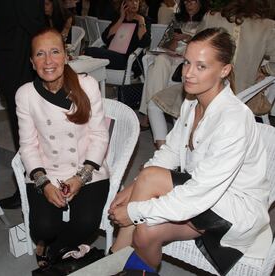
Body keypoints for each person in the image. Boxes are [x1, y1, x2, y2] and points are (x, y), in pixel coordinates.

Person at [108, 28, 271, 275]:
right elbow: (171, 152)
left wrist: (133, 210)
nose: (188, 73)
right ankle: (120, 267)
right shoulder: (191, 102)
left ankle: (112, 262)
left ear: (224, 70)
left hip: (232, 210)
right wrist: (134, 190)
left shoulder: (234, 119)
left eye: (201, 66)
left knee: (149, 182)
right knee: (145, 233)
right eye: (186, 63)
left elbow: (198, 193)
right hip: (204, 196)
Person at [17, 27, 110, 270]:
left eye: (55, 52)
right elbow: (27, 145)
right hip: (47, 170)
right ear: (31, 61)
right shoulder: (25, 95)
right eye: (40, 54)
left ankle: (54, 252)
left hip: (86, 168)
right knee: (43, 228)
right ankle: (63, 250)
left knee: (88, 224)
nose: (48, 61)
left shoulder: (86, 85)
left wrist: (82, 177)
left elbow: (100, 136)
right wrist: (43, 183)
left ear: (66, 56)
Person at [148, 0, 275, 148]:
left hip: (208, 91)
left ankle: (163, 149)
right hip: (245, 96)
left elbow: (194, 50)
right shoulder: (267, 26)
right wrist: (265, 70)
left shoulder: (212, 17)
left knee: (154, 104)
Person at [0, 0, 46, 209]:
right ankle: (29, 187)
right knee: (24, 129)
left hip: (22, 60)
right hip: (15, 57)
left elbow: (34, 22)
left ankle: (33, 188)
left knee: (29, 129)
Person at [139, 0, 209, 149]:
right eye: (187, 1)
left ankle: (149, 112)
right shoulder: (176, 20)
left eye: (194, 1)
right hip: (174, 57)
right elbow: (164, 44)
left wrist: (189, 39)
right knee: (160, 62)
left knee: (153, 71)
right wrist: (174, 41)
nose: (190, 4)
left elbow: (207, 46)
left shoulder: (206, 21)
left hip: (191, 61)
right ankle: (153, 108)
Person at [84, 0, 151, 74]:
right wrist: (121, 19)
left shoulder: (144, 20)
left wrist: (141, 20)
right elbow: (106, 38)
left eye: (136, 1)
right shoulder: (118, 18)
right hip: (111, 53)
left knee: (89, 51)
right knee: (91, 52)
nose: (134, 3)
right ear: (123, 3)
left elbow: (144, 42)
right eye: (131, 1)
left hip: (127, 59)